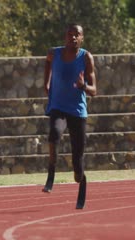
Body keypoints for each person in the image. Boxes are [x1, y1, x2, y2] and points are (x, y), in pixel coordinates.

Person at [42, 23, 97, 209]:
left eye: (77, 35)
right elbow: (47, 62)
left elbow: (94, 91)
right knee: (54, 134)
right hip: (58, 107)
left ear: (82, 38)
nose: (73, 37)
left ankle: (81, 179)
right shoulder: (54, 53)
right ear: (65, 36)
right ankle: (51, 174)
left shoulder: (86, 57)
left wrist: (83, 86)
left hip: (77, 112)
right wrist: (46, 82)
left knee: (77, 164)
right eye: (70, 34)